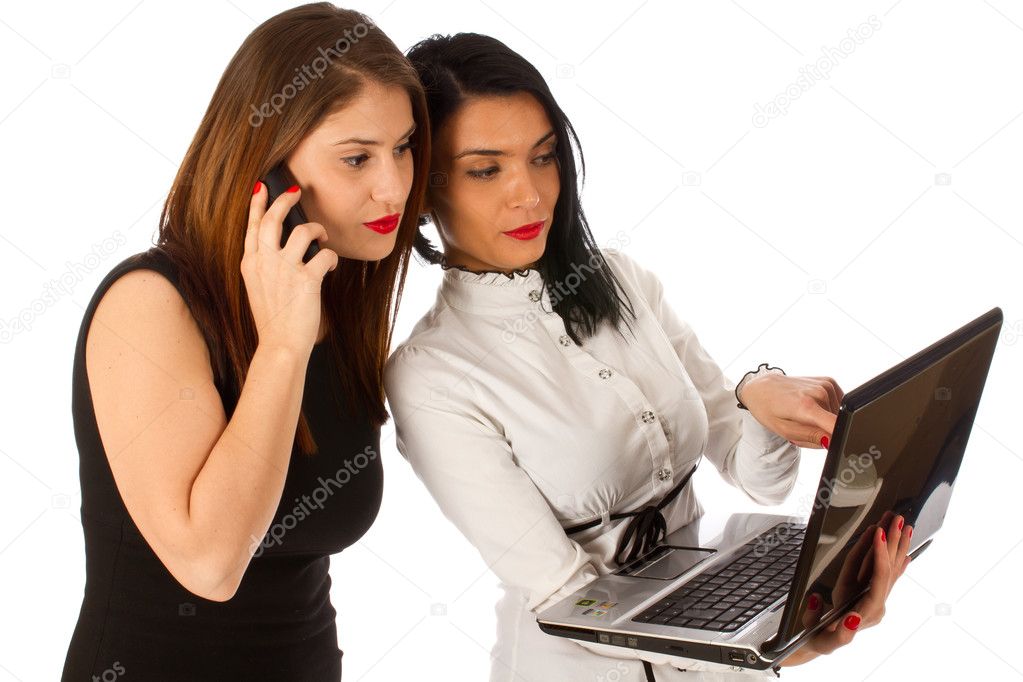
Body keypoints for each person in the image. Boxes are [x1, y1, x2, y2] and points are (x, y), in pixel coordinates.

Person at [384, 32, 911, 681]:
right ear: (423, 188)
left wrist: (759, 401)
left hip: (717, 635)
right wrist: (778, 642)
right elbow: (566, 598)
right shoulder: (430, 376)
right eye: (485, 170)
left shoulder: (620, 279)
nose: (529, 194)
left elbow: (757, 476)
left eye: (543, 157)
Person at [61, 4, 429, 679]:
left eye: (403, 147)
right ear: (267, 173)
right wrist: (282, 349)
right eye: (357, 158)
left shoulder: (331, 294)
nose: (394, 186)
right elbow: (211, 563)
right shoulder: (149, 304)